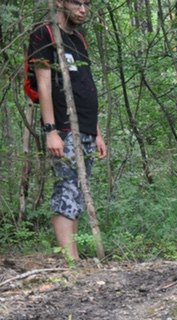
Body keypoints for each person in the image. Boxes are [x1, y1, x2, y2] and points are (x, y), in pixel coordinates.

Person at [28, 0, 107, 262]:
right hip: (63, 127)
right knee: (66, 190)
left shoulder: (79, 39)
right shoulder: (45, 34)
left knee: (78, 192)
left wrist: (97, 132)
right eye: (76, 2)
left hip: (86, 128)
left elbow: (85, 85)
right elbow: (44, 85)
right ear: (60, 2)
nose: (83, 9)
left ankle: (74, 260)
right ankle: (71, 264)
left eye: (87, 4)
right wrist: (51, 130)